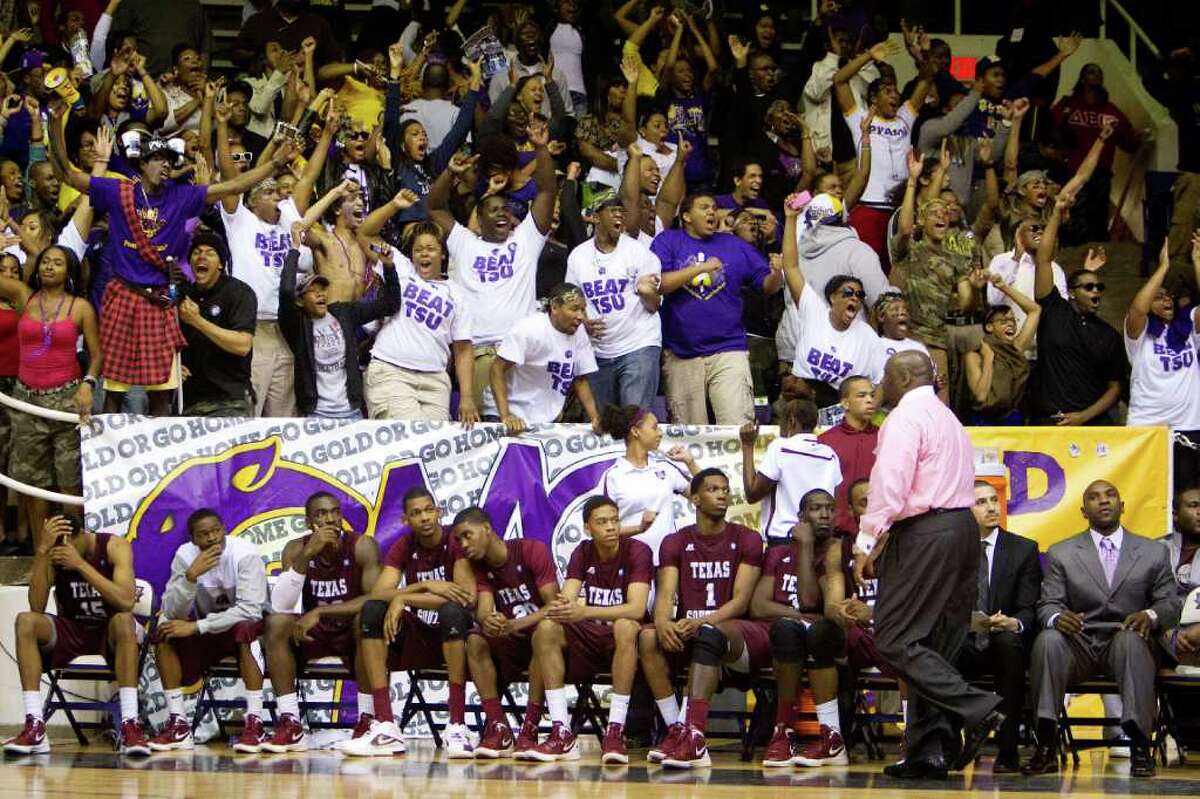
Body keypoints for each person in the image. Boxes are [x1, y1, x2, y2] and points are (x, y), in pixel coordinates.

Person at [54, 127, 298, 417]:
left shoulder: (182, 196)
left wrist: (274, 164)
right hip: (124, 296)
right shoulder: (118, 192)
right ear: (142, 164)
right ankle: (116, 457)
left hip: (160, 301)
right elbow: (68, 174)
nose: (166, 164)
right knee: (114, 393)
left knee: (162, 394)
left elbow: (233, 187)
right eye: (157, 158)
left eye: (170, 159)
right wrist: (54, 125)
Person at [853, 351, 1003, 779]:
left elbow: (890, 484)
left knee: (895, 637)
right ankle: (930, 750)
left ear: (902, 377)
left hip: (925, 532)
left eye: (885, 376)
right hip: (962, 530)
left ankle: (979, 708)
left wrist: (867, 540)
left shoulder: (904, 418)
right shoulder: (950, 420)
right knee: (936, 645)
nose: (881, 385)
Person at [1023, 480, 1178, 778]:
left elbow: (1170, 604)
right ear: (1083, 511)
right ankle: (1045, 742)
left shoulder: (1152, 552)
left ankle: (1139, 745)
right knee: (1047, 640)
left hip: (1128, 643)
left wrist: (1149, 614)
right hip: (1078, 643)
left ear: (1122, 505)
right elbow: (1046, 604)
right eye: (1094, 498)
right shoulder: (1062, 553)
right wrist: (1057, 618)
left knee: (1131, 641)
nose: (1103, 501)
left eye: (1110, 496)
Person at [638, 468, 766, 769]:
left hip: (732, 636)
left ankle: (693, 736)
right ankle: (677, 730)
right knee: (646, 637)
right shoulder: (675, 541)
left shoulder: (747, 538)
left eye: (725, 489)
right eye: (713, 489)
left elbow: (741, 601)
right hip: (689, 633)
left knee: (710, 632)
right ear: (695, 498)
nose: (722, 494)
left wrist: (701, 622)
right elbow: (666, 594)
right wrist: (663, 623)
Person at [426, 131, 557, 410]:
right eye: (493, 209)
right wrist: (450, 174)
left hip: (522, 352)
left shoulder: (525, 240)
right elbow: (435, 207)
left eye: (504, 209)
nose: (501, 213)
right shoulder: (464, 242)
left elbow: (546, 190)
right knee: (490, 428)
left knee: (529, 426)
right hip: (480, 354)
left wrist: (541, 149)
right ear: (479, 216)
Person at [3, 516, 148, 756]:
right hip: (72, 629)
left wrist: (80, 565)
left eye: (64, 544)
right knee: (26, 621)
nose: (59, 550)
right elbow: (36, 607)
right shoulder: (52, 553)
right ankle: (35, 725)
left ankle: (130, 724)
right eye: (55, 545)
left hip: (108, 630)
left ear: (79, 535)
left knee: (124, 621)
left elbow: (125, 601)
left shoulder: (114, 546)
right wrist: (41, 552)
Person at [352, 488, 477, 758]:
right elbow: (378, 593)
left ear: (439, 511)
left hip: (455, 635)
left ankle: (457, 724)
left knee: (452, 612)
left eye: (429, 510)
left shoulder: (454, 542)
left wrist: (406, 599)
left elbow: (465, 596)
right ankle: (386, 724)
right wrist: (421, 587)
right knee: (372, 610)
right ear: (405, 520)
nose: (424, 517)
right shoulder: (404, 546)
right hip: (418, 636)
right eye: (416, 513)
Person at [528, 496, 654, 763]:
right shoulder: (582, 551)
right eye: (602, 522)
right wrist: (565, 605)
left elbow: (636, 609)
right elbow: (569, 596)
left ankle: (615, 730)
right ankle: (561, 731)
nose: (611, 527)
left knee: (625, 626)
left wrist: (584, 611)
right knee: (547, 627)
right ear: (588, 528)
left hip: (626, 643)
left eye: (614, 520)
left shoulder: (638, 551)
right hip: (591, 638)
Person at [261, 492, 380, 753]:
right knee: (275, 624)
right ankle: (291, 722)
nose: (330, 519)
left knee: (368, 618)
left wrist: (322, 613)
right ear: (308, 522)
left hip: (352, 630)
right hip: (313, 633)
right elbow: (281, 604)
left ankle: (367, 719)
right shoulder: (295, 549)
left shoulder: (362, 545)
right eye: (321, 514)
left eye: (335, 512)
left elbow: (375, 598)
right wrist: (308, 554)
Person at [652, 193, 783, 424]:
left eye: (714, 208)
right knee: (688, 433)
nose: (712, 212)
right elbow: (659, 284)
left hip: (728, 348)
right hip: (682, 352)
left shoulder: (733, 244)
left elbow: (767, 286)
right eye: (704, 208)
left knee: (738, 426)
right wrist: (701, 268)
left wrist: (775, 274)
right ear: (686, 216)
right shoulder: (668, 241)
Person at [0, 245, 100, 542]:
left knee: (70, 480)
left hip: (66, 400)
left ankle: (75, 548)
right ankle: (42, 550)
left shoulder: (81, 307)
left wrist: (88, 383)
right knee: (32, 481)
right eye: (45, 261)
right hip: (26, 399)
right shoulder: (22, 296)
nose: (49, 267)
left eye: (57, 263)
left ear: (68, 270)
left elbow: (96, 355)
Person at [148, 509, 268, 751]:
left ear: (224, 529)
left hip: (245, 633)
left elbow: (250, 611)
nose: (213, 538)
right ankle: (178, 724)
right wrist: (190, 578)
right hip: (208, 633)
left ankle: (255, 722)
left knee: (245, 629)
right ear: (193, 539)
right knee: (164, 630)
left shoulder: (244, 553)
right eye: (204, 534)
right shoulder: (185, 555)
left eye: (216, 530)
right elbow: (173, 611)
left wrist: (196, 626)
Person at [753, 490, 851, 769]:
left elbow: (810, 601)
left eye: (830, 509)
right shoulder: (779, 553)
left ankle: (829, 735)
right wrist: (798, 616)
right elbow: (759, 606)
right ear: (800, 517)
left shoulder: (834, 551)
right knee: (787, 629)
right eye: (816, 508)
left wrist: (807, 548)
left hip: (824, 638)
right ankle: (782, 732)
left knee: (810, 631)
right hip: (788, 637)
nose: (824, 514)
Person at [454, 507, 559, 760]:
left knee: (541, 636)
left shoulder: (531, 550)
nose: (464, 544)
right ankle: (498, 726)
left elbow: (554, 607)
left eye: (468, 535)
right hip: (512, 640)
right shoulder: (478, 566)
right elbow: (484, 609)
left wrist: (515, 624)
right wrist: (489, 620)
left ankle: (530, 728)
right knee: (477, 639)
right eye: (459, 540)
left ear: (487, 529)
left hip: (546, 638)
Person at [280, 212, 401, 419]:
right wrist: (294, 248)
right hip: (316, 415)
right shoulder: (297, 325)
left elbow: (391, 304)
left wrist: (389, 267)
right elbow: (286, 291)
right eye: (313, 290)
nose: (320, 294)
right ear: (300, 300)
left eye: (323, 289)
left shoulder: (343, 313)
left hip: (352, 412)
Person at [955, 481, 1041, 772]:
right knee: (940, 647)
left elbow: (1029, 608)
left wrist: (1013, 623)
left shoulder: (1023, 549)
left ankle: (1008, 751)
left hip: (1004, 641)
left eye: (994, 500)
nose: (992, 507)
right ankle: (948, 744)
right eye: (981, 502)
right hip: (964, 638)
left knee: (1008, 644)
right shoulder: (952, 551)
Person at [215, 169, 309, 417]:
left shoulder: (286, 225)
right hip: (251, 327)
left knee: (284, 419)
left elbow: (308, 179)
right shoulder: (241, 222)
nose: (277, 197)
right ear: (252, 201)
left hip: (283, 329)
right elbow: (231, 179)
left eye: (278, 193)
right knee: (249, 414)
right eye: (269, 193)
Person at [1030, 192, 1126, 425]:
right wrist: (1055, 215)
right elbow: (1043, 260)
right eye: (1089, 287)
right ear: (1071, 292)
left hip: (1091, 424)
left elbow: (1115, 387)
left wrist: (1083, 417)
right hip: (1048, 421)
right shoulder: (1054, 311)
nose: (1096, 292)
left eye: (1099, 287)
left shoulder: (1109, 335)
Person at [780, 194, 881, 408]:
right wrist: (790, 219)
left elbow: (880, 384)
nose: (855, 297)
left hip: (839, 406)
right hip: (802, 401)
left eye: (859, 295)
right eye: (848, 292)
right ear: (832, 298)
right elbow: (790, 267)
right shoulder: (814, 310)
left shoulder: (868, 337)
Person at [565, 198, 662, 410]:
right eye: (612, 210)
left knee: (634, 416)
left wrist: (647, 293)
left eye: (621, 211)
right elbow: (572, 300)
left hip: (639, 345)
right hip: (597, 351)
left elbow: (654, 305)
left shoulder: (639, 252)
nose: (619, 214)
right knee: (604, 423)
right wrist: (585, 324)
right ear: (596, 217)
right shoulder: (578, 256)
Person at [486, 283, 601, 434]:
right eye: (574, 309)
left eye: (583, 309)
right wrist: (506, 415)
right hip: (506, 413)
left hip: (543, 420)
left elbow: (580, 380)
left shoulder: (579, 334)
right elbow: (496, 369)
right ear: (554, 307)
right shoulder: (529, 329)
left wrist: (595, 418)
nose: (580, 316)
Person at [596, 404, 700, 562]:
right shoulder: (613, 476)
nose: (660, 433)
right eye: (655, 427)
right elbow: (603, 530)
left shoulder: (665, 467)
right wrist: (640, 528)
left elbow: (704, 497)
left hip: (668, 562)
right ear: (635, 431)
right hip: (631, 562)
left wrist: (690, 462)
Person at [740, 398, 841, 548]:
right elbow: (833, 499)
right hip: (819, 538)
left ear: (791, 421)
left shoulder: (781, 447)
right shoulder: (830, 454)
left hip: (785, 539)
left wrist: (747, 445)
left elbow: (752, 494)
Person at [1124, 238, 1200, 433]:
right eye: (1158, 297)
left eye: (1169, 296)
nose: (1166, 299)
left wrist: (1198, 263)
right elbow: (1138, 308)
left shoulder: (1188, 327)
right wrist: (1163, 267)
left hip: (1188, 425)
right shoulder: (1140, 332)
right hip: (1146, 426)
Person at [178, 233, 256, 417]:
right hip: (190, 402)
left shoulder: (239, 293)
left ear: (221, 264)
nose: (202, 256)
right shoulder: (183, 296)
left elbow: (243, 345)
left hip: (230, 401)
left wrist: (197, 321)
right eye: (196, 252)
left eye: (210, 252)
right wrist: (173, 365)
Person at [963, 280, 1041, 425]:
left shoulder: (1015, 349)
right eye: (1003, 321)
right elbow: (980, 396)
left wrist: (1003, 287)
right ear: (989, 327)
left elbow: (1034, 310)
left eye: (1013, 320)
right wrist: (988, 360)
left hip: (1013, 419)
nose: (1011, 324)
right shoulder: (974, 356)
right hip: (984, 422)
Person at [818, 375, 879, 534]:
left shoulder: (885, 438)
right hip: (836, 532)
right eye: (861, 395)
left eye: (872, 395)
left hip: (878, 530)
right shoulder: (825, 441)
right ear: (845, 403)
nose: (869, 400)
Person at [1161, 486, 1200, 665]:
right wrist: (1167, 635)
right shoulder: (1156, 549)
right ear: (1175, 514)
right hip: (1162, 638)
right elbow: (1137, 599)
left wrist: (1195, 633)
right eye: (1194, 505)